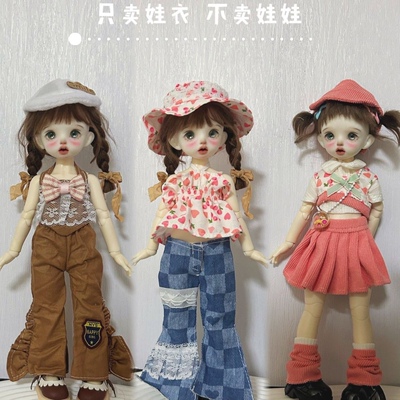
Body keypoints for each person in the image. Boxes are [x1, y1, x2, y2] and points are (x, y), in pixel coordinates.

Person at [132, 81, 267, 400]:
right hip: (176, 252)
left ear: (224, 137)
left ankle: (220, 387)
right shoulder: (174, 182)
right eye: (190, 134)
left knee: (220, 318)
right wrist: (150, 246)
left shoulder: (223, 181)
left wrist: (249, 247)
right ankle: (176, 386)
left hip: (217, 252)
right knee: (176, 318)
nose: (202, 141)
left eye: (212, 132)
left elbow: (236, 215)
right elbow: (163, 213)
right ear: (174, 140)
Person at [0, 79, 133, 400]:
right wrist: (12, 251)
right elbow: (27, 217)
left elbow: (103, 217)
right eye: (51, 134)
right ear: (38, 140)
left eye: (73, 132)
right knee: (46, 306)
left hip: (84, 245)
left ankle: (94, 374)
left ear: (89, 137)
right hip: (45, 245)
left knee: (90, 304)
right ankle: (48, 370)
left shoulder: (90, 180)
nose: (62, 141)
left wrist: (116, 252)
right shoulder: (38, 181)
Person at [269, 79, 400, 400]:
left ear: (368, 139)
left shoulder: (368, 177)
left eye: (351, 135)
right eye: (330, 135)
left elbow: (377, 210)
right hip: (323, 242)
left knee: (361, 311)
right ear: (320, 137)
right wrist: (289, 242)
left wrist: (365, 240)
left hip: (357, 244)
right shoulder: (321, 176)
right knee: (312, 309)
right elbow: (305, 210)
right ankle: (300, 377)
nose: (339, 142)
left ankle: (365, 382)